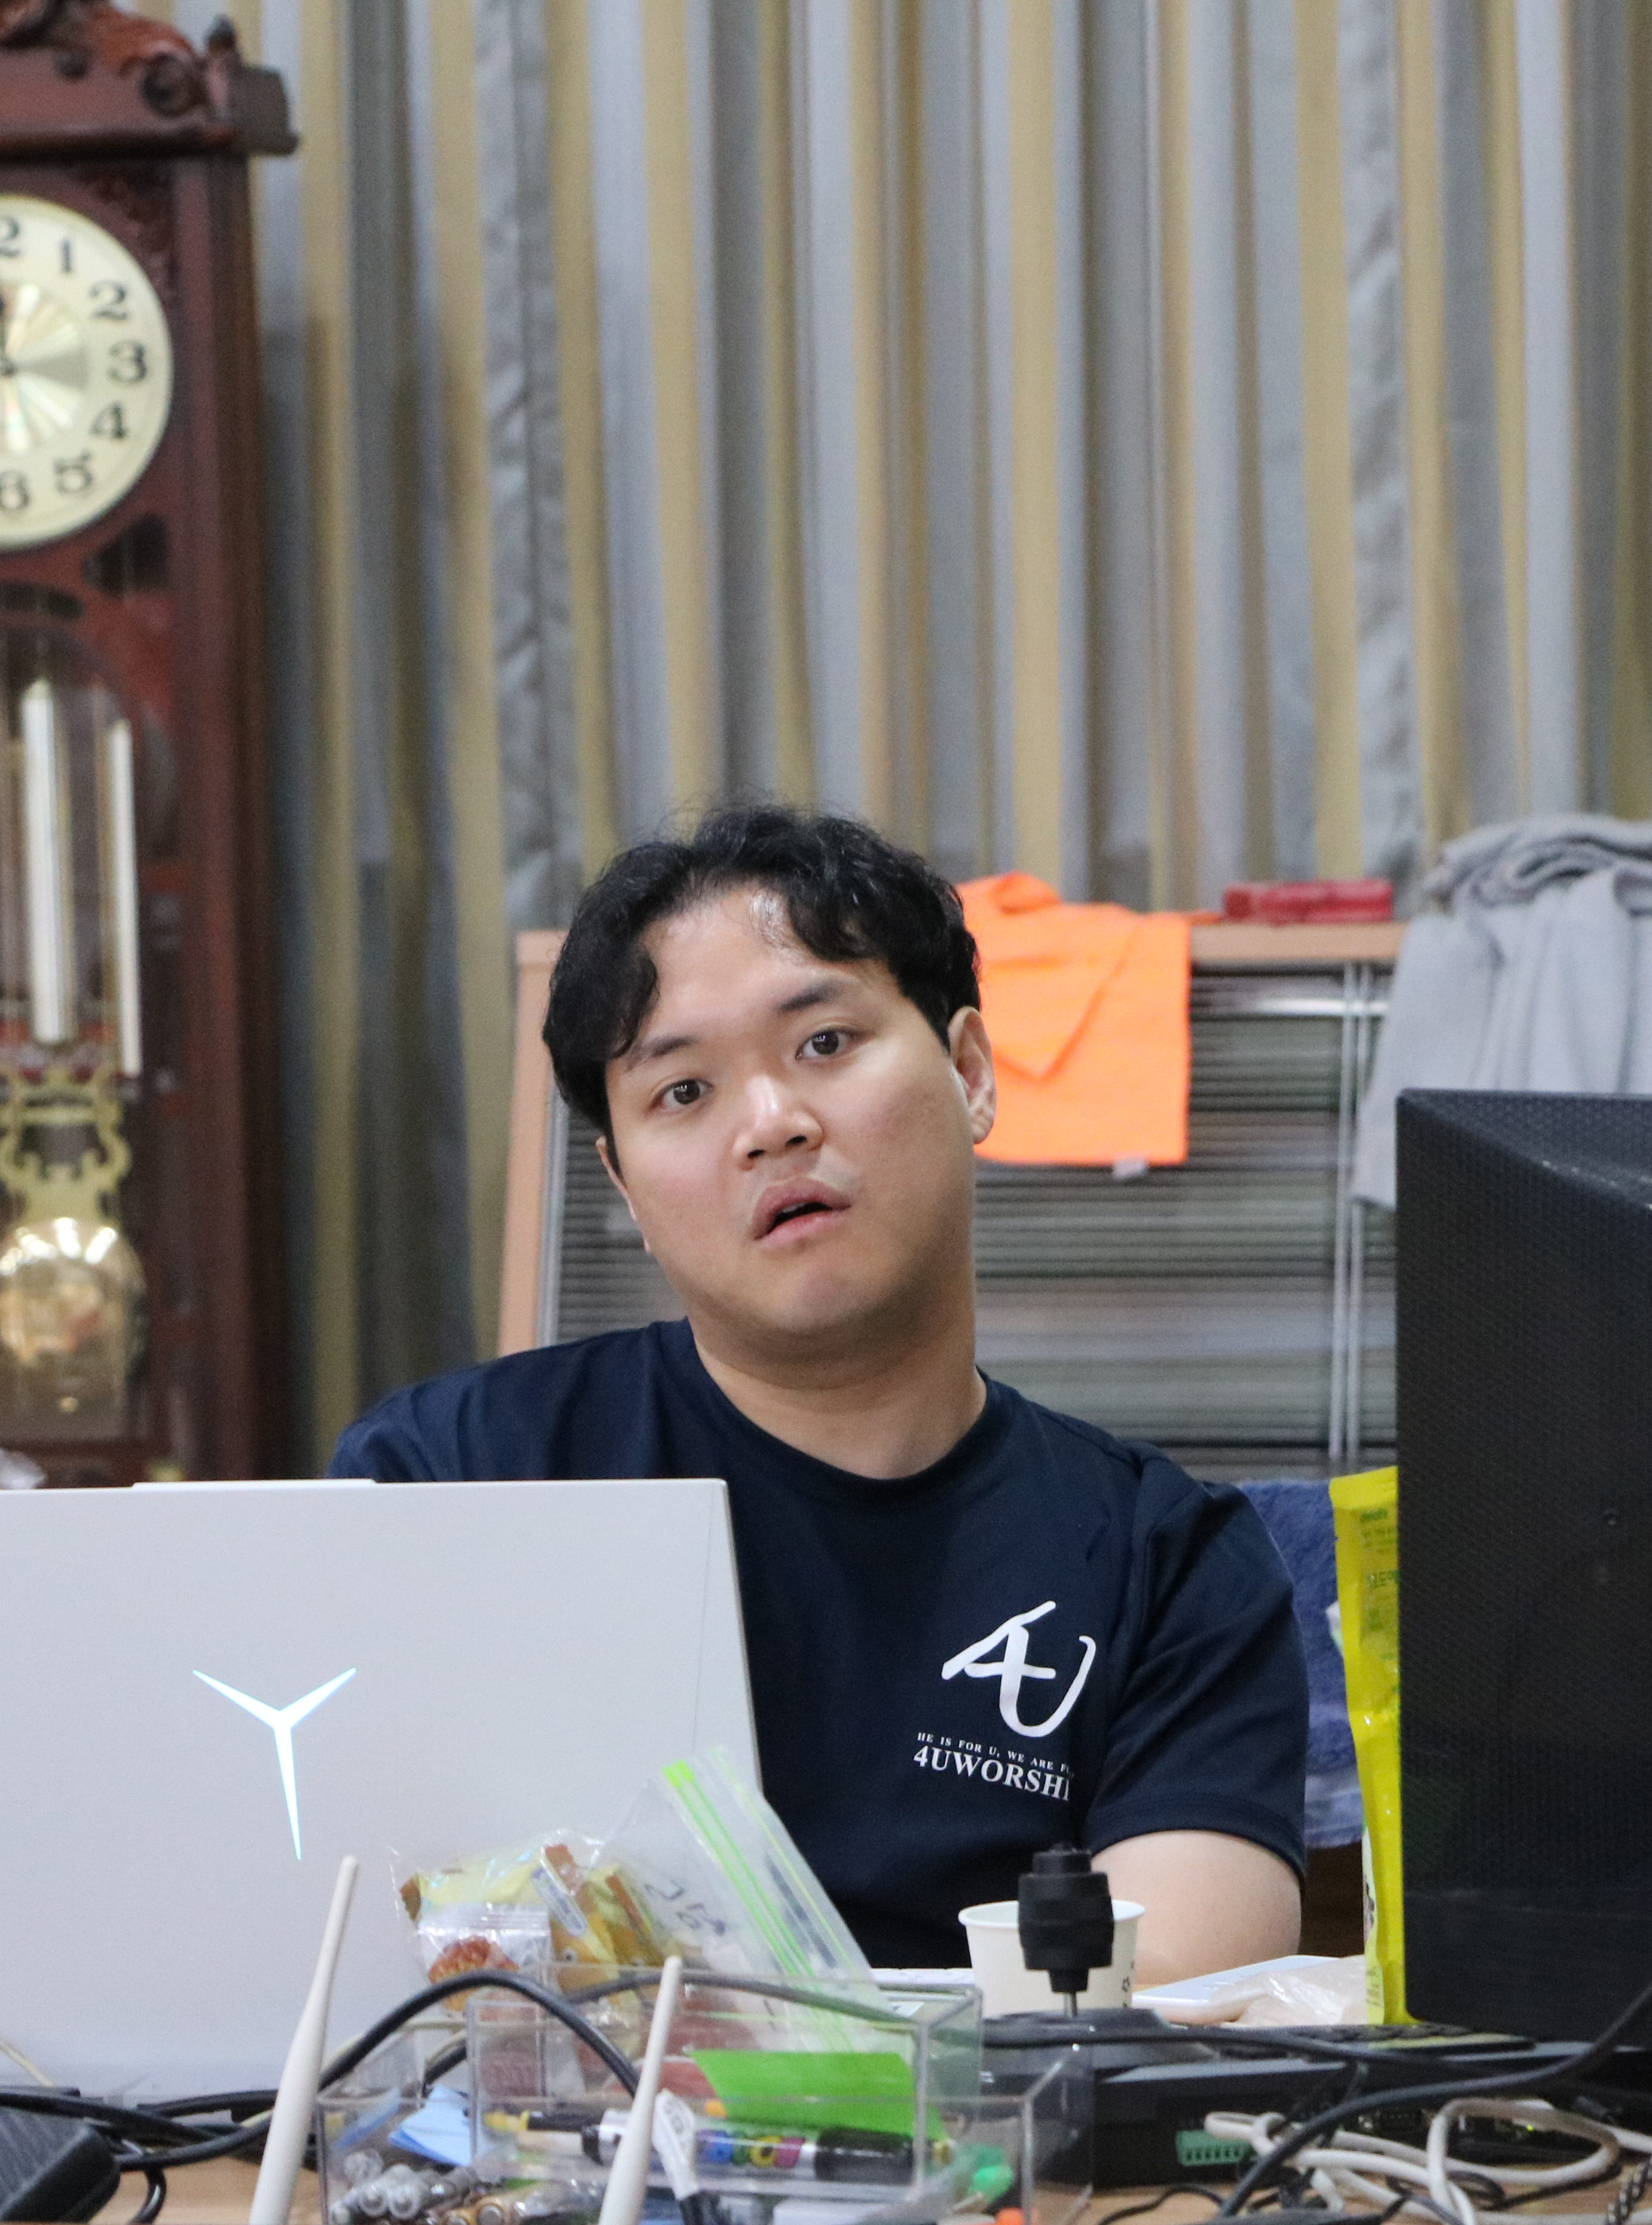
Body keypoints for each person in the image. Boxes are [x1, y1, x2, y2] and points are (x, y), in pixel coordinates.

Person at [332, 804, 1308, 1981]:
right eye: (683, 1091)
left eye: (826, 1043)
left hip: (1007, 2115)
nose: (771, 1125)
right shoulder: (452, 1480)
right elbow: (363, 1958)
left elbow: (1177, 1997)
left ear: (971, 1072)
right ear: (626, 1189)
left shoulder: (1169, 1563)